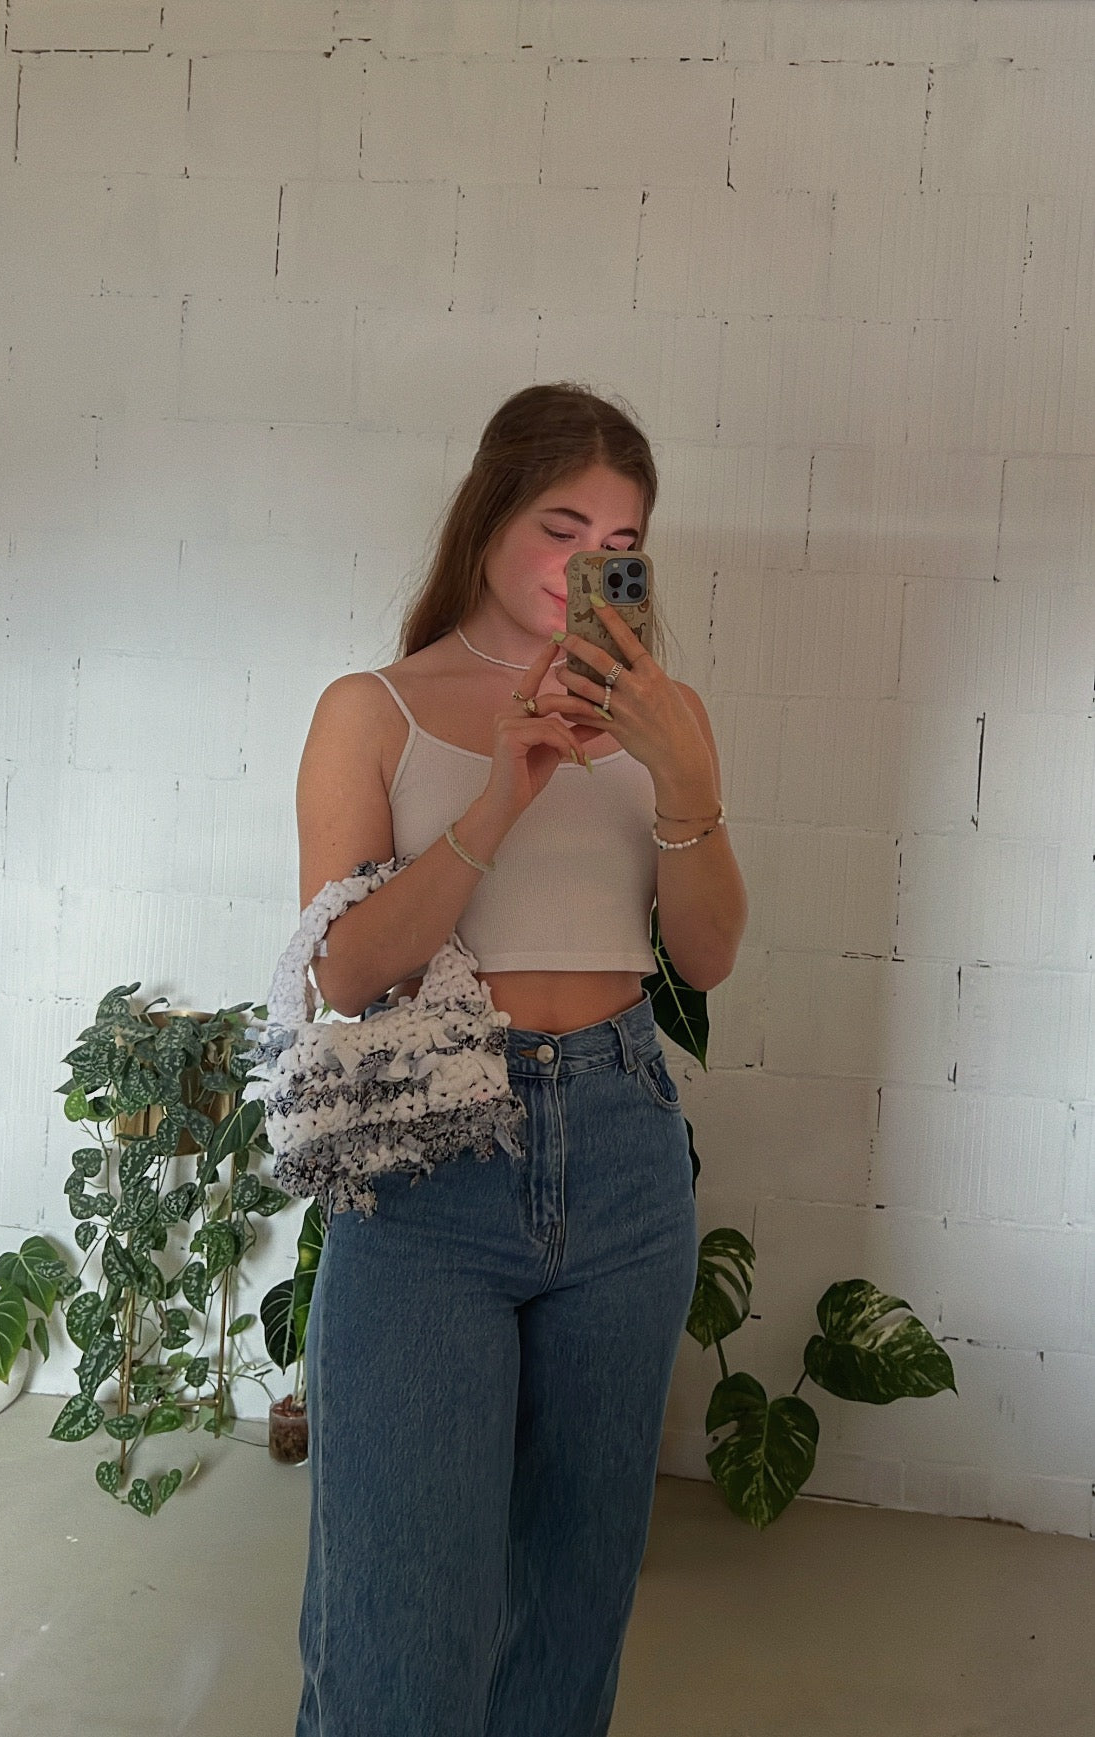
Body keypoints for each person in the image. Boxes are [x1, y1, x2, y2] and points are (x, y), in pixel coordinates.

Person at [292, 382, 748, 1737]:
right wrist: (501, 795)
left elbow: (705, 958)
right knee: (399, 1621)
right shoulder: (373, 709)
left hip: (621, 1147)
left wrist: (686, 784)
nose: (585, 562)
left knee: (571, 1599)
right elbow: (345, 973)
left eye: (620, 540)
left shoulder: (667, 720)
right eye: (561, 526)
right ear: (490, 514)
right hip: (430, 1166)